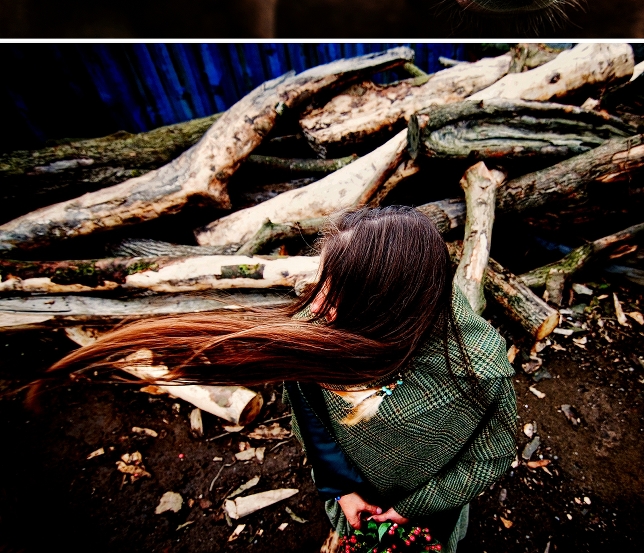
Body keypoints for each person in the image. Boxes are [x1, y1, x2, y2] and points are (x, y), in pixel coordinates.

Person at [35, 206, 517, 552]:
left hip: (430, 510)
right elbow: (312, 421)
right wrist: (342, 490)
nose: (317, 306)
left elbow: (492, 454)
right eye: (321, 282)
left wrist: (415, 507)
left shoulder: (479, 369)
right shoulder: (321, 330)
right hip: (355, 489)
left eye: (340, 292)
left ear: (386, 306)